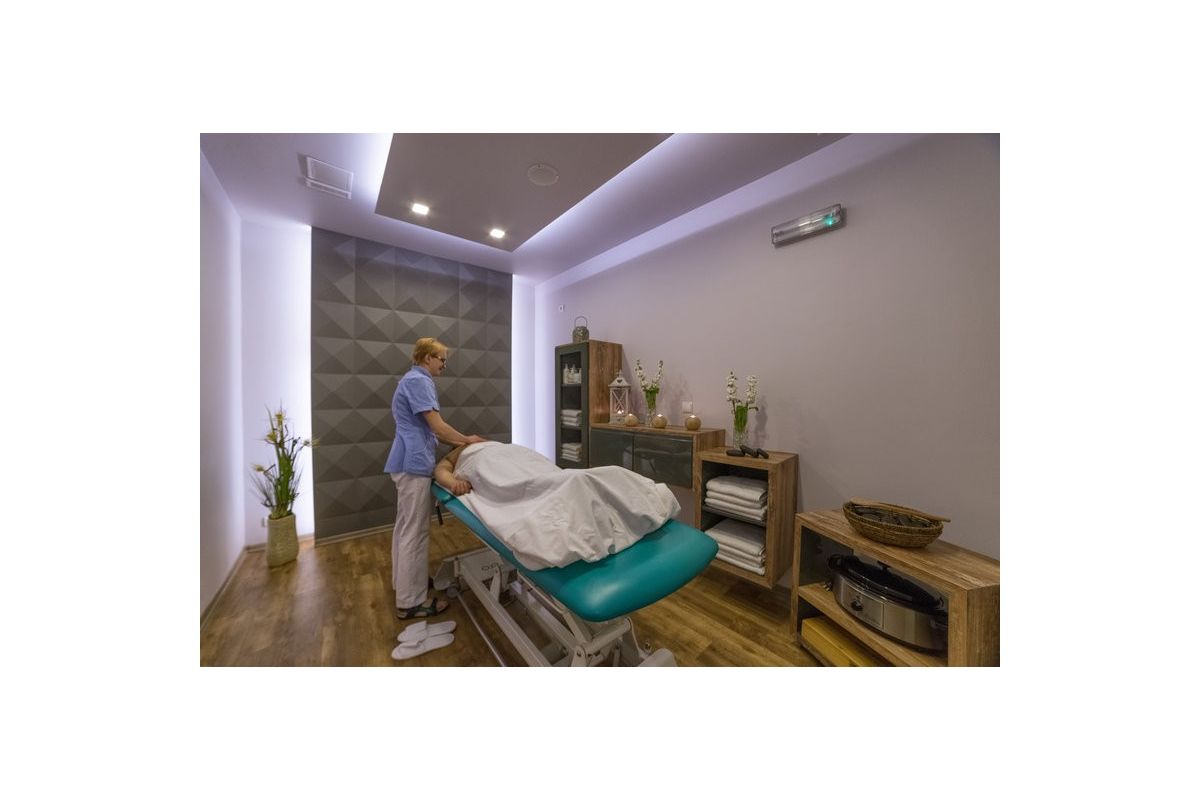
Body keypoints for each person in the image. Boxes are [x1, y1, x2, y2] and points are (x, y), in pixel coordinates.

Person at [384, 337, 486, 619]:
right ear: (427, 357)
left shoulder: (410, 380)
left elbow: (430, 430)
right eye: (442, 360)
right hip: (412, 464)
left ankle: (405, 584)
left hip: (407, 462)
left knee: (405, 528)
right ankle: (410, 602)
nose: (444, 365)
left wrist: (462, 443)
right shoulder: (419, 381)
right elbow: (438, 428)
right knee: (415, 533)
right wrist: (468, 440)